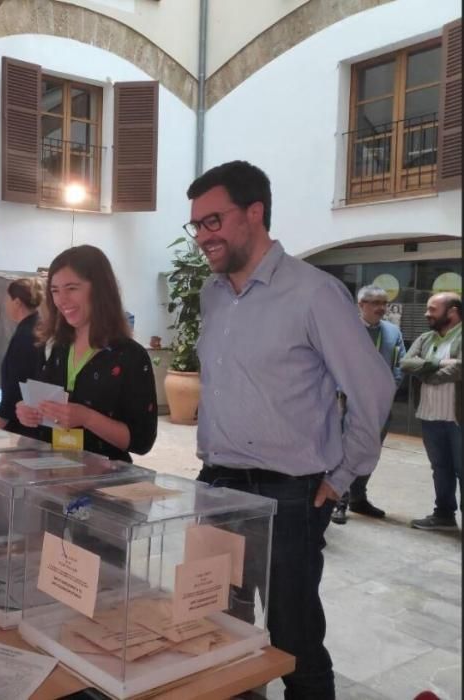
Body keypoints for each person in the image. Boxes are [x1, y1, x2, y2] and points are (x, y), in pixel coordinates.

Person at [185, 161, 394, 699]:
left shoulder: (313, 292)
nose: (203, 236)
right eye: (197, 226)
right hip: (217, 485)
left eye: (213, 221)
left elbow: (372, 389)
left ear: (254, 213)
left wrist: (345, 474)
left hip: (290, 494)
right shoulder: (212, 295)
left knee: (295, 643)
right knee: (215, 631)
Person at [15, 245, 157, 462]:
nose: (62, 300)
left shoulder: (130, 356)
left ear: (100, 289)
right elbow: (46, 411)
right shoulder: (60, 347)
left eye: (72, 288)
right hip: (55, 476)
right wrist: (28, 412)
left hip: (105, 484)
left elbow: (142, 441)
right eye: (54, 290)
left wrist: (87, 418)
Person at [331, 284, 406, 524]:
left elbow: (399, 364)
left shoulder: (392, 332)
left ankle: (358, 498)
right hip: (347, 401)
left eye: (384, 303)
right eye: (375, 303)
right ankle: (338, 501)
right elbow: (332, 364)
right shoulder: (345, 330)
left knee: (369, 450)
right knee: (343, 451)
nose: (381, 308)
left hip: (379, 405)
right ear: (360, 305)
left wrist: (387, 390)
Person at [401, 292, 462, 532]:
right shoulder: (426, 338)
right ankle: (444, 514)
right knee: (440, 468)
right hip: (429, 415)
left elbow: (460, 370)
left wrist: (426, 373)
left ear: (453, 312)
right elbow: (406, 363)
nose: (427, 314)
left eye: (432, 309)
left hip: (458, 418)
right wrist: (439, 364)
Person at [0, 277, 44, 439]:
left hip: (23, 421)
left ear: (17, 302)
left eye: (7, 300)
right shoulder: (37, 327)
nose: (5, 305)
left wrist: (1, 419)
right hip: (33, 416)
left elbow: (16, 383)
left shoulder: (26, 335)